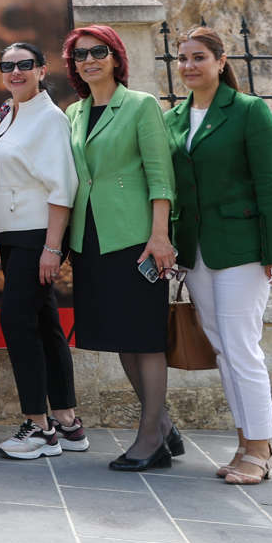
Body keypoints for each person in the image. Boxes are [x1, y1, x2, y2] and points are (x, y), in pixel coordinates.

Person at [166, 26, 272, 485]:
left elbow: (270, 185)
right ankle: (246, 443)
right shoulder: (174, 118)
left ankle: (260, 449)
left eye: (199, 57)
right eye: (183, 58)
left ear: (220, 62)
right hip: (196, 251)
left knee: (241, 347)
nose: (189, 65)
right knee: (222, 348)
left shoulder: (248, 111)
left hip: (242, 248)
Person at [63, 24, 178, 472]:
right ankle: (161, 423)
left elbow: (160, 174)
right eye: (80, 55)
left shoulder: (141, 105)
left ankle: (150, 437)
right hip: (91, 237)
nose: (89, 60)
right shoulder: (74, 112)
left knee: (145, 338)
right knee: (122, 338)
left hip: (136, 238)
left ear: (116, 57)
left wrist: (160, 235)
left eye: (98, 52)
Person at [0, 42, 88, 459]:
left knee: (16, 322)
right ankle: (67, 420)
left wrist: (51, 247)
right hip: (13, 236)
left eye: (25, 65)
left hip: (36, 235)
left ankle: (38, 427)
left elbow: (63, 186)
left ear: (43, 70)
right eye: (8, 65)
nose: (16, 72)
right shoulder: (13, 113)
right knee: (45, 323)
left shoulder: (49, 118)